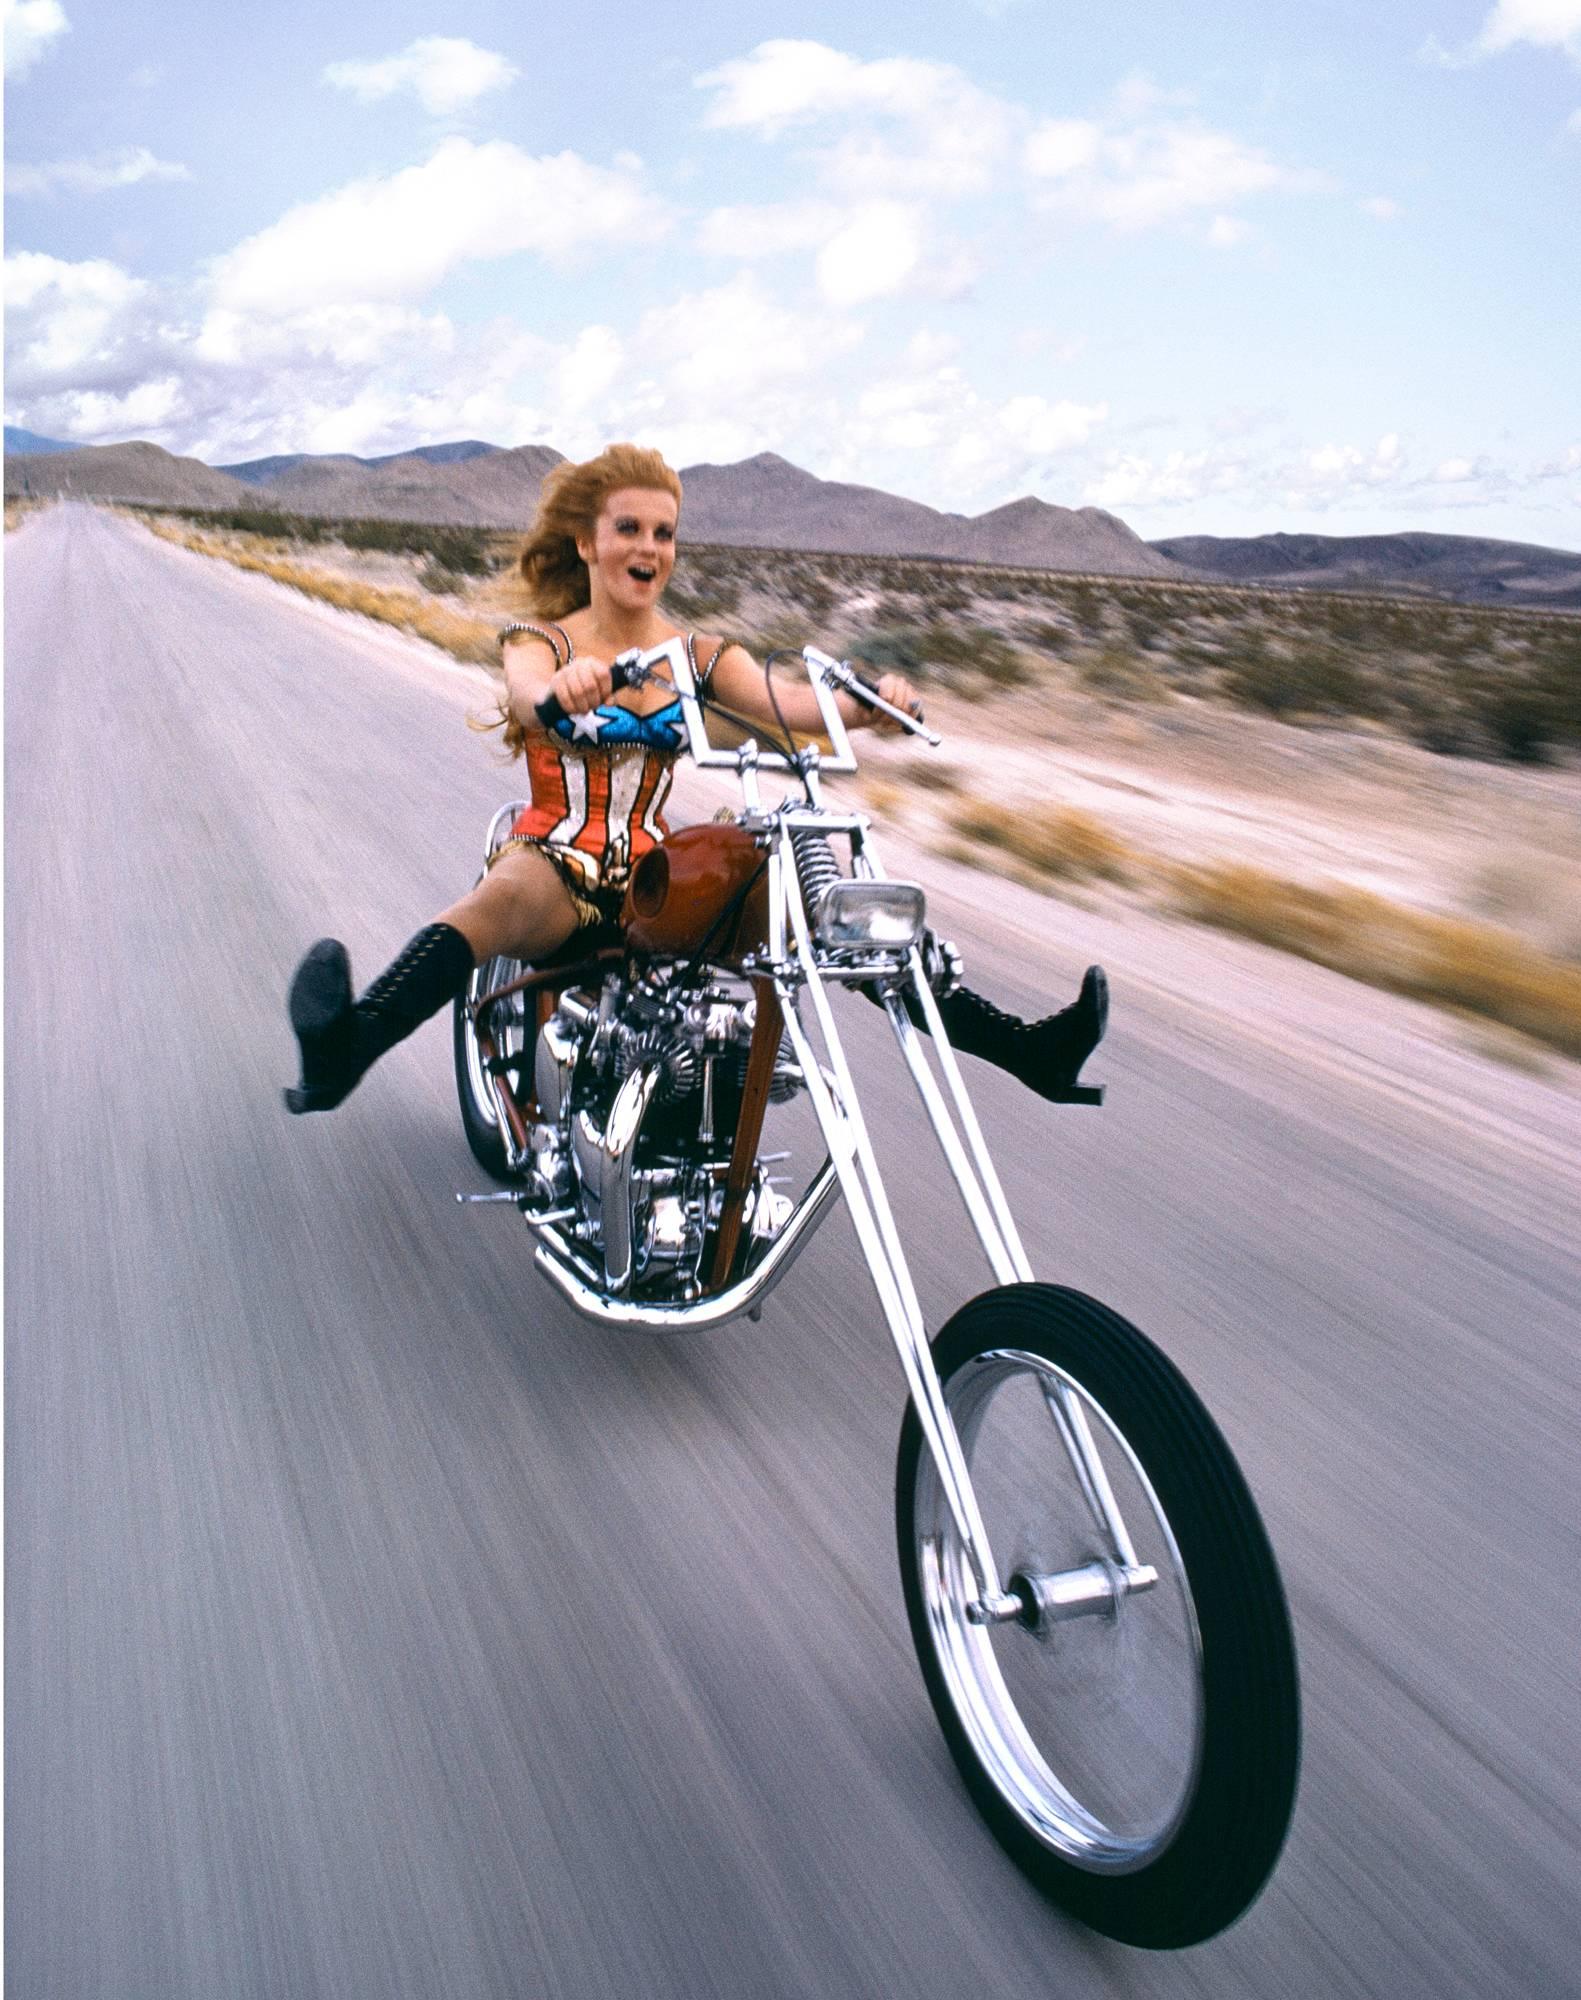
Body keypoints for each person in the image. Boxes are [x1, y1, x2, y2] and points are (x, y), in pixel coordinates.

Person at [283, 442, 1106, 1115]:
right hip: (557, 864)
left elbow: (788, 705)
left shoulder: (701, 654)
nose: (648, 548)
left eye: (663, 533)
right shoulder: (541, 640)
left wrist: (863, 707)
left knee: (821, 909)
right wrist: (560, 694)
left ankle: (1025, 1049)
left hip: (653, 869)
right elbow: (528, 698)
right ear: (586, 542)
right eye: (629, 528)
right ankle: (346, 1046)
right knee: (489, 907)